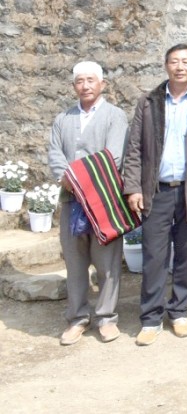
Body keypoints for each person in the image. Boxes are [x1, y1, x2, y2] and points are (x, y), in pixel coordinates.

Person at [122, 44, 187, 345]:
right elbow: (134, 149)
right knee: (154, 256)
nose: (180, 67)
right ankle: (151, 318)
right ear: (166, 66)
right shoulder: (149, 102)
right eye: (174, 61)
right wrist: (133, 188)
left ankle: (179, 311)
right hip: (157, 192)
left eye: (185, 62)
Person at [47, 61, 129, 345]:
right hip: (71, 200)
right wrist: (67, 179)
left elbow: (114, 155)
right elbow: (56, 155)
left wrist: (81, 179)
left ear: (102, 84)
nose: (85, 85)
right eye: (80, 81)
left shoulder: (114, 116)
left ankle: (106, 317)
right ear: (74, 86)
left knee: (107, 263)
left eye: (91, 80)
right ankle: (77, 317)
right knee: (75, 261)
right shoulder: (62, 119)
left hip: (103, 199)